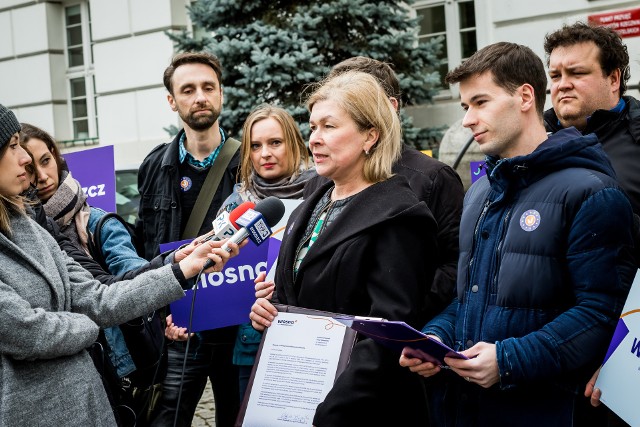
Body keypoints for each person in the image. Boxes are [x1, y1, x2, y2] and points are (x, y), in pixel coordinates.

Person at [398, 42, 636, 426]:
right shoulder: (478, 193)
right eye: (464, 107)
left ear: (525, 96)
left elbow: (599, 313)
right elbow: (469, 298)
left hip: (542, 410)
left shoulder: (591, 192)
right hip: (463, 407)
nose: (468, 120)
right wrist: (435, 340)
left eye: (480, 102)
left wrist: (509, 360)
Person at [0, 104, 239, 427]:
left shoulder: (31, 225)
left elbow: (99, 298)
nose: (26, 161)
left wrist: (179, 270)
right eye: (13, 147)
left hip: (88, 406)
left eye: (40, 156)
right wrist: (88, 327)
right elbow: (27, 333)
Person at [250, 71, 439, 426]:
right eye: (312, 127)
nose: (314, 140)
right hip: (300, 394)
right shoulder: (314, 199)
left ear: (371, 135)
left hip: (363, 409)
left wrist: (331, 412)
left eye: (329, 127)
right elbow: (299, 292)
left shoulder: (399, 215)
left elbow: (388, 332)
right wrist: (272, 313)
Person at [304, 56, 464, 319]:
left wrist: (405, 309)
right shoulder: (319, 185)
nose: (316, 138)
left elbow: (454, 266)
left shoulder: (431, 178)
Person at [137, 52, 241, 427]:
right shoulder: (154, 166)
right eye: (188, 89)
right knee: (167, 420)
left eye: (208, 87)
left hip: (237, 329)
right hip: (181, 327)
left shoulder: (247, 161)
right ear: (172, 100)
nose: (200, 96)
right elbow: (148, 247)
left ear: (221, 94)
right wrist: (163, 313)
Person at [219, 103, 316, 400]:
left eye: (275, 142)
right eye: (256, 145)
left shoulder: (323, 193)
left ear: (294, 144)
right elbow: (215, 277)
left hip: (310, 339)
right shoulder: (237, 205)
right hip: (250, 343)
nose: (265, 154)